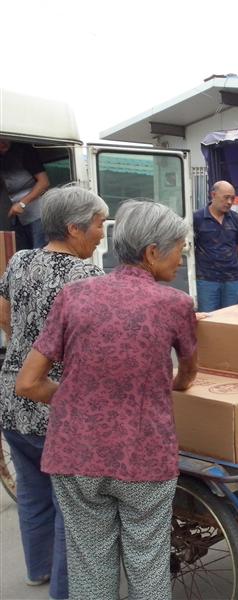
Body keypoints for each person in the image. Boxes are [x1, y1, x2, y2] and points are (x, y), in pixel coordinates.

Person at [15, 200, 198, 600]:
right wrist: (162, 387)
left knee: (91, 567)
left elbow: (28, 384)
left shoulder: (74, 296)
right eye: (179, 250)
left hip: (76, 455)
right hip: (144, 457)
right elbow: (186, 377)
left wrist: (80, 398)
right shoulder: (176, 305)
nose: (181, 261)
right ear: (152, 252)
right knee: (147, 566)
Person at [0, 186, 107, 600]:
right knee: (72, 510)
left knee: (32, 491)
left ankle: (38, 570)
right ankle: (64, 592)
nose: (102, 233)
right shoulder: (87, 277)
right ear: (73, 227)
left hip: (12, 399)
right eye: (98, 224)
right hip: (54, 403)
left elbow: (4, 308)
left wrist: (22, 345)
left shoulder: (21, 260)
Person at [193, 180, 238, 312]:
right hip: (207, 280)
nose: (229, 202)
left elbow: (237, 246)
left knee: (232, 319)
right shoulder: (197, 218)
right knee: (208, 319)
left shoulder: (235, 218)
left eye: (232, 198)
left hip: (232, 279)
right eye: (226, 197)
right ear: (213, 195)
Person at [0, 139, 50, 249]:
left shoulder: (25, 151)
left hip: (37, 214)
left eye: (3, 140)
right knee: (22, 252)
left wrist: (22, 203)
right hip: (18, 217)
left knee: (39, 250)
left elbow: (44, 182)